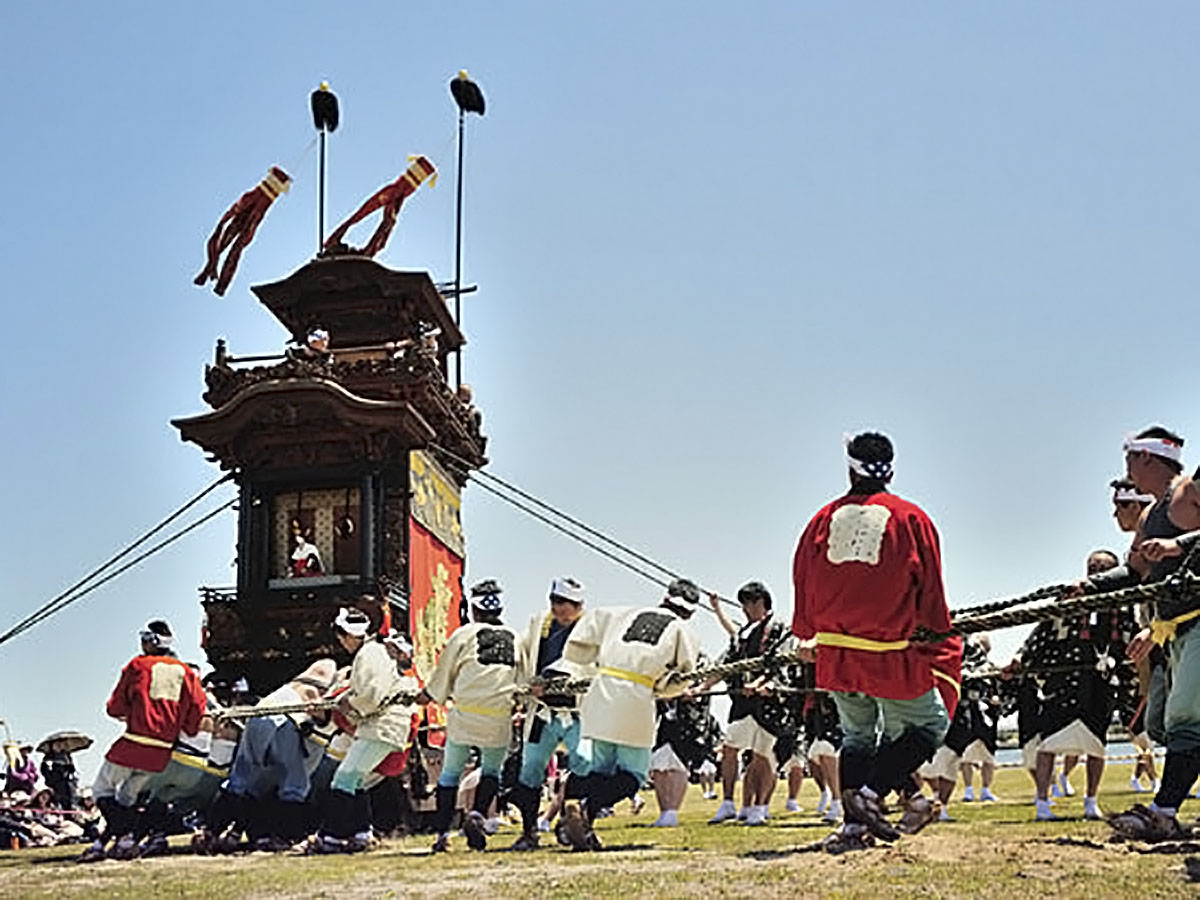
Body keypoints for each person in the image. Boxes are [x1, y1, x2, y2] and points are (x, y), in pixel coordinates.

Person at [792, 432, 953, 847]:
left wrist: (807, 630)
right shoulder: (910, 518)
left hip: (836, 651)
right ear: (891, 472)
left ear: (850, 470)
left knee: (857, 736)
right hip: (888, 651)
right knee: (930, 725)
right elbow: (930, 586)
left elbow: (802, 578)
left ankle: (853, 825)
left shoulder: (821, 520)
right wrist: (936, 628)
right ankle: (869, 795)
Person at [559, 579, 701, 851]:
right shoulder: (682, 629)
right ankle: (586, 808)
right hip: (636, 696)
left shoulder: (625, 613)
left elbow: (588, 626)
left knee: (601, 767)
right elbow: (683, 675)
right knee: (633, 775)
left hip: (601, 689)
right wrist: (664, 687)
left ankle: (577, 812)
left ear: (665, 598)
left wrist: (579, 659)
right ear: (691, 612)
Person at [81, 620, 207, 862]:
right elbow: (196, 711)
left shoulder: (137, 665)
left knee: (101, 790)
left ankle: (126, 835)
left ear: (153, 641)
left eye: (144, 638)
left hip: (135, 742)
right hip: (162, 752)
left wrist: (131, 713)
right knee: (127, 796)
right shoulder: (187, 672)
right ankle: (109, 843)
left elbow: (115, 707)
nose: (141, 643)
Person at [414, 579, 524, 853]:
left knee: (450, 773)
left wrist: (428, 694)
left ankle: (442, 834)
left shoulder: (463, 635)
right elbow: (521, 681)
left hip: (466, 714)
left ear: (474, 610)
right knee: (492, 770)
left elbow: (444, 672)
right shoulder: (515, 638)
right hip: (498, 716)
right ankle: (477, 814)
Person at [201, 658, 338, 852]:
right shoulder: (314, 691)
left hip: (259, 716)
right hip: (285, 723)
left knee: (241, 779)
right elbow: (320, 714)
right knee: (294, 784)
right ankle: (287, 835)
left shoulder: (290, 687)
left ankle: (211, 830)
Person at [308, 609, 417, 854]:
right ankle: (362, 833)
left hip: (382, 726)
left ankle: (331, 837)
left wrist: (349, 703)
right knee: (356, 781)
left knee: (343, 778)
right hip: (386, 725)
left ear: (347, 635)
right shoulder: (375, 652)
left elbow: (371, 695)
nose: (341, 643)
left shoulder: (368, 655)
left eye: (341, 637)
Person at [509, 577, 591, 851]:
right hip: (542, 711)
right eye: (557, 604)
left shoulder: (592, 627)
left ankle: (575, 823)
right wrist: (527, 685)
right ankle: (529, 830)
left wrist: (560, 676)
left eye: (569, 605)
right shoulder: (539, 625)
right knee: (531, 767)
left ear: (580, 606)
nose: (562, 611)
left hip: (577, 709)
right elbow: (522, 654)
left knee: (584, 761)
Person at [706, 581, 794, 826]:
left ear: (761, 602)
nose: (745, 608)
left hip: (769, 703)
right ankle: (728, 803)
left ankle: (760, 808)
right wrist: (701, 687)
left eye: (749, 603)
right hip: (741, 703)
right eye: (743, 603)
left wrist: (762, 683)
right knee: (730, 748)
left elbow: (781, 663)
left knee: (763, 756)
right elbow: (726, 665)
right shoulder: (742, 634)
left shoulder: (780, 628)